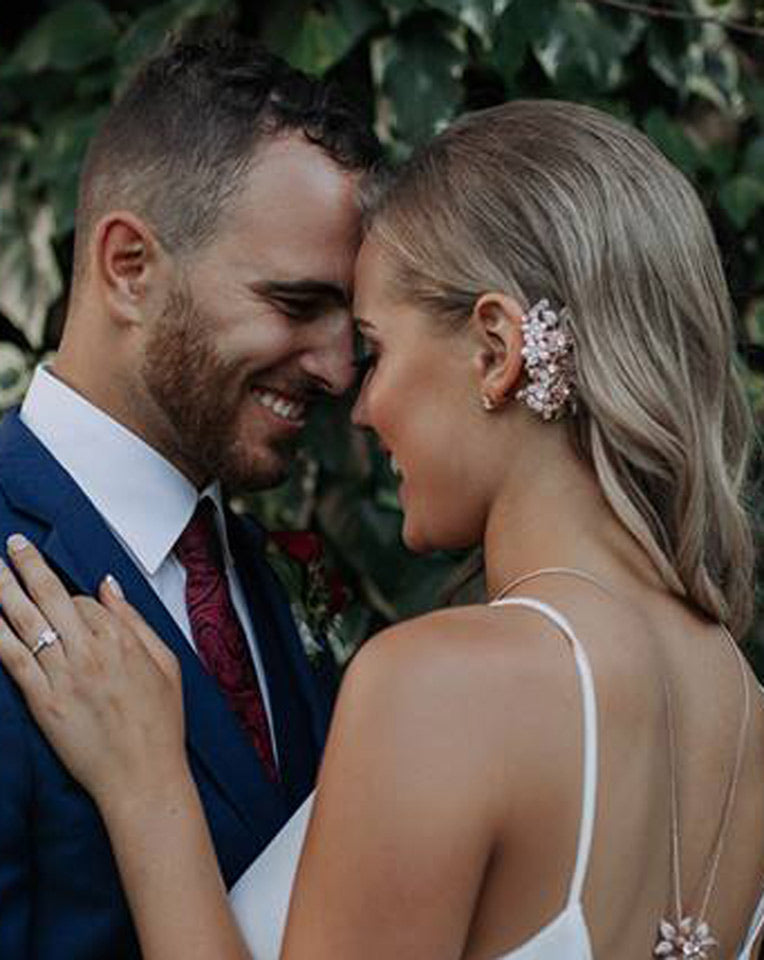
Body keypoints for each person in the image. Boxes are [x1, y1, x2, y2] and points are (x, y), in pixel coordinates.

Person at [1, 99, 763, 960]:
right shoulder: (742, 711)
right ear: (127, 265)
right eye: (297, 303)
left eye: (375, 347)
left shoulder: (439, 686)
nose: (353, 400)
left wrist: (150, 797)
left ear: (496, 350)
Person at [0, 33, 380, 959]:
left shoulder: (268, 574)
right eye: (295, 306)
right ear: (130, 266)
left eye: (350, 321)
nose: (338, 370)